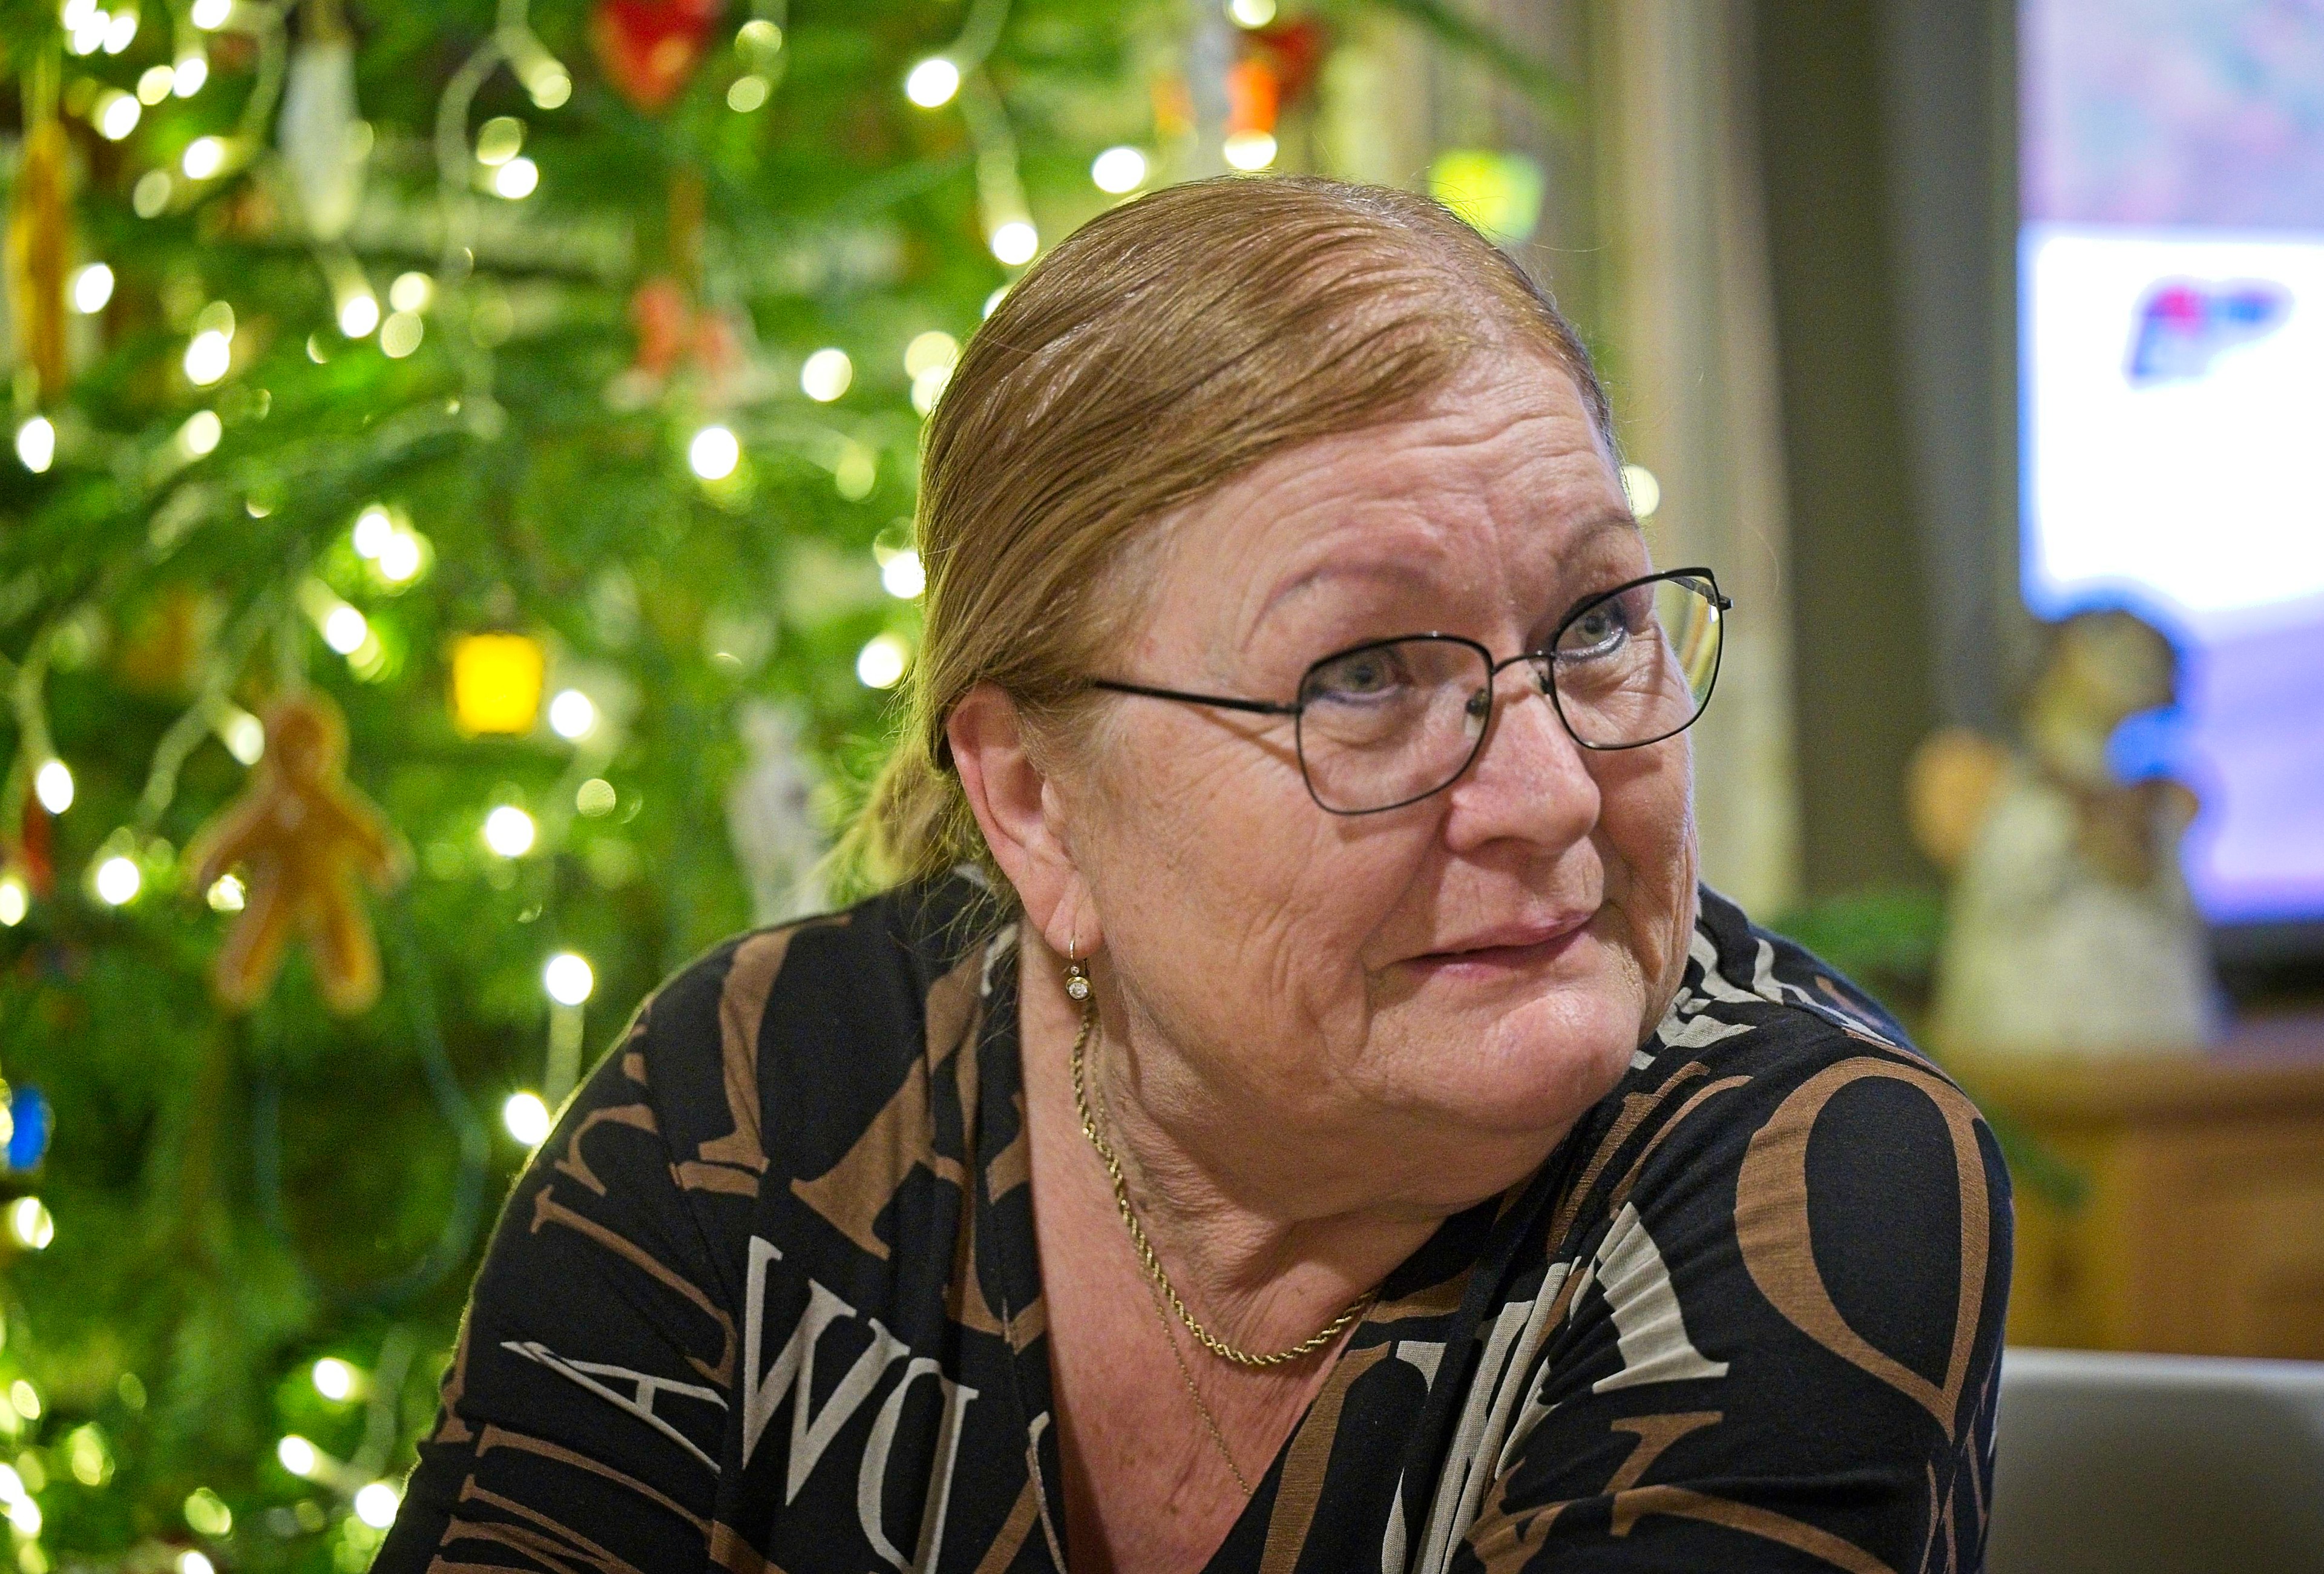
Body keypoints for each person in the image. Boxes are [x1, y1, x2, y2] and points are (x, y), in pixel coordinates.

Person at [375, 176, 2011, 1574]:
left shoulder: (1814, 1173)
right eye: (1362, 676)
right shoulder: (750, 1099)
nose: (1550, 792)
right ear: (1034, 801)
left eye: (1596, 626)